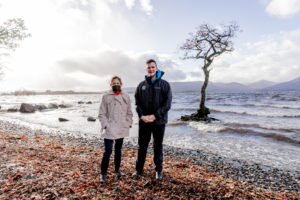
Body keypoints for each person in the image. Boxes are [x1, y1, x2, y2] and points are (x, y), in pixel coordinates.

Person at [132, 59, 172, 180]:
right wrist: (142, 116)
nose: (151, 69)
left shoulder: (165, 84)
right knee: (142, 146)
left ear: (156, 68)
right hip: (144, 122)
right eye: (148, 67)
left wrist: (155, 116)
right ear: (146, 69)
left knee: (157, 146)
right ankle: (138, 170)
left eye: (152, 67)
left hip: (159, 121)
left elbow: (167, 104)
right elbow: (137, 103)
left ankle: (158, 170)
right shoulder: (141, 85)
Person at [98, 76, 133, 183]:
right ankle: (103, 174)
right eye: (114, 83)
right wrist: (105, 125)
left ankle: (117, 169)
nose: (116, 85)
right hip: (110, 127)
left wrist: (128, 123)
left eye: (118, 83)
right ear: (110, 85)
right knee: (108, 151)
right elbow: (101, 113)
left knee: (118, 150)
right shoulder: (106, 96)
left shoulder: (126, 96)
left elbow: (129, 112)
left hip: (121, 127)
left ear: (121, 84)